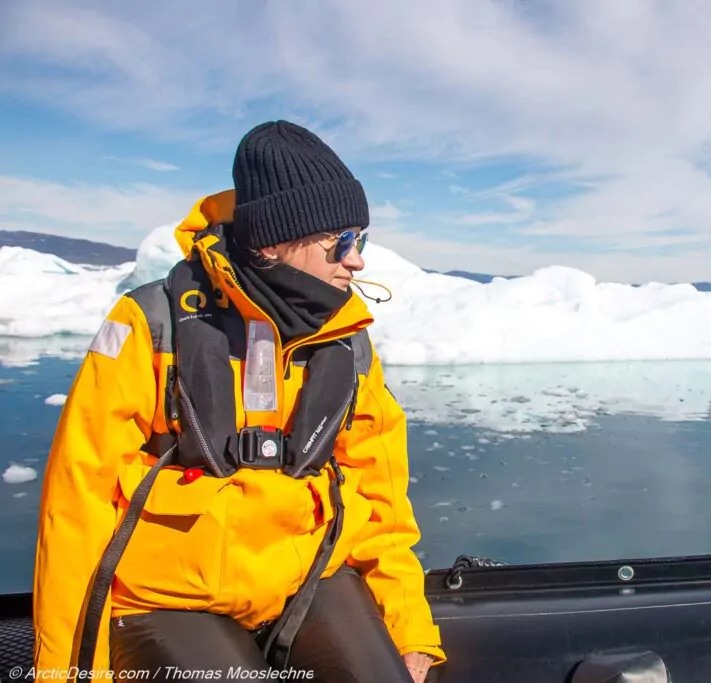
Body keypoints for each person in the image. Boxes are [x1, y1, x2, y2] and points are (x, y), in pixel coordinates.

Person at [32, 120, 445, 683]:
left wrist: (408, 628)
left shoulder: (348, 341)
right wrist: (65, 673)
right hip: (169, 594)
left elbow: (382, 499)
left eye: (361, 240)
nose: (357, 261)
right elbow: (76, 503)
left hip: (308, 577)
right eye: (341, 241)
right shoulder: (151, 323)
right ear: (274, 239)